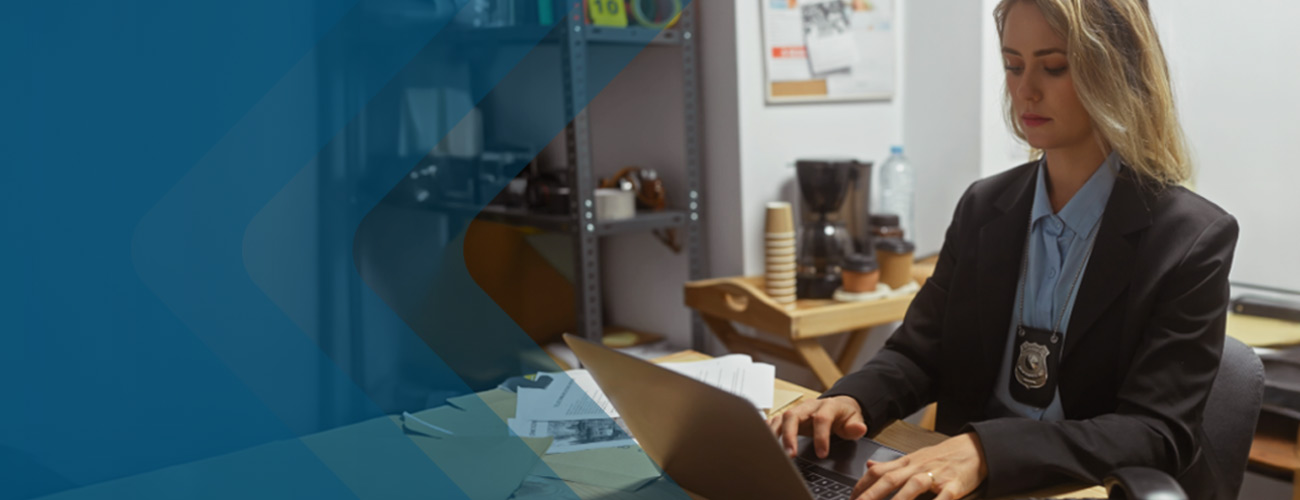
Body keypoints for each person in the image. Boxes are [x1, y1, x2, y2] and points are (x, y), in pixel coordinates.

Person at [766, 1, 1239, 499]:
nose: (1025, 90)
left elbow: (1156, 433)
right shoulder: (983, 205)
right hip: (960, 482)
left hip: (1079, 488)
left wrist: (987, 450)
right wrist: (851, 399)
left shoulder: (1193, 239)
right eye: (1014, 65)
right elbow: (919, 353)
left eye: (1054, 67)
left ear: (1116, 72)